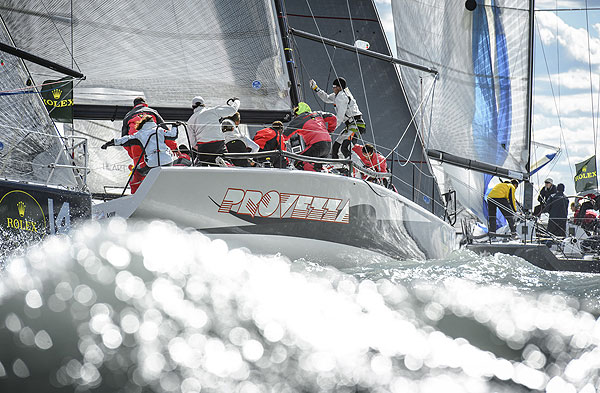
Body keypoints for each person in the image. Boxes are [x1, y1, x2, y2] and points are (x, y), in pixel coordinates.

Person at [102, 116, 180, 189]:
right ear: (153, 123)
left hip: (152, 162)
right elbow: (173, 135)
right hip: (168, 160)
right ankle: (168, 187)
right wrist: (175, 126)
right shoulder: (160, 130)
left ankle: (138, 191)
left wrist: (109, 143)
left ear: (142, 124)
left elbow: (124, 140)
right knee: (162, 171)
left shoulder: (139, 134)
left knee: (137, 171)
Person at [120, 97, 169, 193]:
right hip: (153, 145)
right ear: (145, 103)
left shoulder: (128, 115)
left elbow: (124, 140)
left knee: (139, 171)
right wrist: (174, 149)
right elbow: (165, 131)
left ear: (134, 105)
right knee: (154, 169)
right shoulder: (153, 112)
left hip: (135, 145)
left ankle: (138, 194)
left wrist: (132, 154)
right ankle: (158, 191)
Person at [310, 77, 365, 158]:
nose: (333, 88)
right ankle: (340, 167)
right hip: (350, 126)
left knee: (345, 148)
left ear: (339, 87)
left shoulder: (342, 97)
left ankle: (359, 167)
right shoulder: (338, 95)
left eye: (334, 86)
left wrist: (330, 130)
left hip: (356, 125)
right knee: (335, 148)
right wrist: (316, 88)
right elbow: (327, 98)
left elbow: (340, 117)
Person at [186, 96, 240, 166]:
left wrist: (199, 148)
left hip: (203, 146)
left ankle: (207, 165)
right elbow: (233, 110)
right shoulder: (212, 111)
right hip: (218, 143)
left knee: (204, 163)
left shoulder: (190, 121)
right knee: (223, 158)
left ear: (193, 107)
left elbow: (193, 143)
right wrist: (236, 101)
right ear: (204, 104)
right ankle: (224, 162)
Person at [283, 102, 334, 171]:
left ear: (298, 112)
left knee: (299, 162)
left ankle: (310, 178)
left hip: (317, 145)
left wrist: (280, 142)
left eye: (295, 114)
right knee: (316, 164)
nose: (294, 116)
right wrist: (330, 130)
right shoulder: (318, 114)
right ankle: (319, 175)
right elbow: (333, 117)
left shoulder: (299, 119)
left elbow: (285, 135)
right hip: (328, 146)